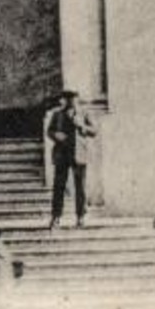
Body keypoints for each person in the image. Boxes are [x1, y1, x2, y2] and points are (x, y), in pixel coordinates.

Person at [48, 90, 97, 229]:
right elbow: (49, 131)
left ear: (77, 100)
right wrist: (56, 135)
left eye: (73, 99)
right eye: (68, 99)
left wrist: (80, 126)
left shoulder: (84, 113)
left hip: (79, 154)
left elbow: (94, 131)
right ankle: (56, 217)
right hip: (61, 155)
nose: (70, 102)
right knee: (59, 187)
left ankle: (80, 217)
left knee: (80, 187)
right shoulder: (57, 114)